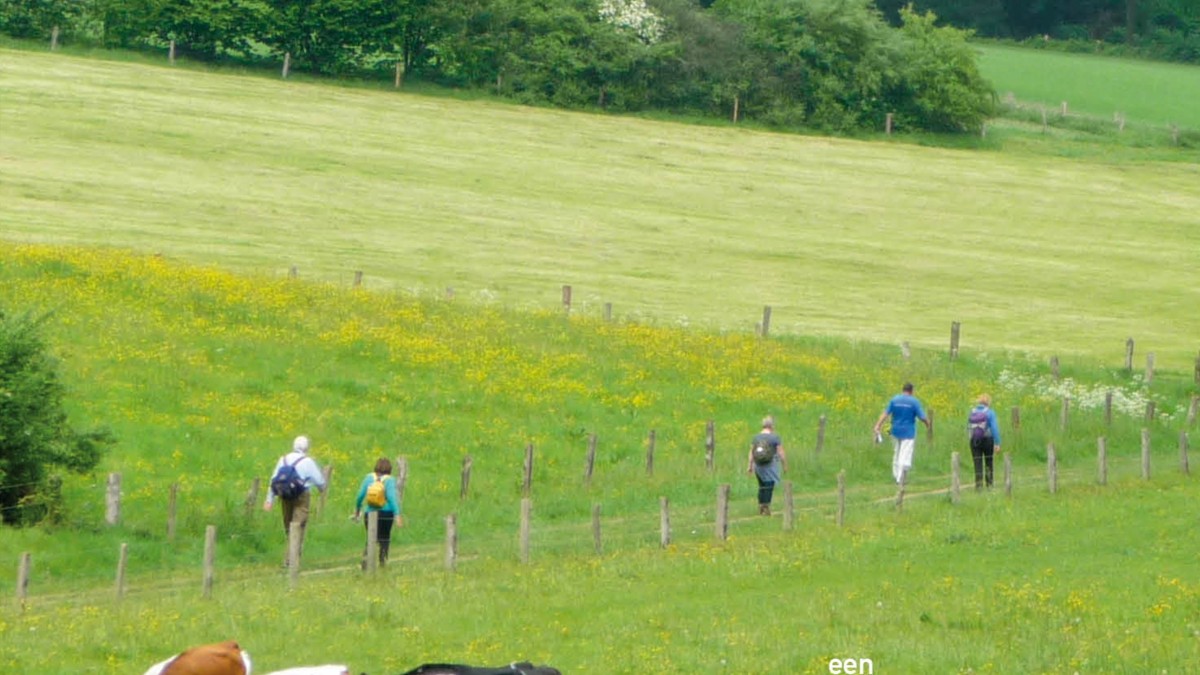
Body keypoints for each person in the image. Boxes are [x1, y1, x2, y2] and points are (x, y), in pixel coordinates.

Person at [263, 435, 327, 566]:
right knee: (298, 526)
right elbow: (320, 482)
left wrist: (269, 499)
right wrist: (322, 488)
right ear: (306, 448)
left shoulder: (283, 459)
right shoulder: (307, 461)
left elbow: (274, 479)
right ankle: (290, 561)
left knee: (289, 527)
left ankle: (291, 558)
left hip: (285, 495)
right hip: (301, 496)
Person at [873, 383, 931, 485]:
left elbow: (885, 414)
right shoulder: (914, 402)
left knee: (896, 453)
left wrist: (878, 425)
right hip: (908, 432)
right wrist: (928, 424)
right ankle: (901, 478)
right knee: (905, 454)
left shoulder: (895, 400)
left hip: (895, 430)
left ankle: (896, 475)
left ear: (902, 390)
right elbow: (922, 417)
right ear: (911, 391)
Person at [352, 457, 401, 569]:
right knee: (384, 538)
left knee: (370, 538)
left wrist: (358, 509)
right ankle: (383, 563)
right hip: (386, 513)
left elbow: (360, 496)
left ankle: (365, 563)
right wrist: (397, 514)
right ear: (389, 469)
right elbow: (392, 498)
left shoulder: (368, 478)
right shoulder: (389, 480)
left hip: (370, 512)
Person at [746, 416, 786, 516]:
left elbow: (751, 452)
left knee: (762, 486)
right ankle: (766, 507)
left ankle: (761, 505)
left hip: (758, 466)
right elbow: (781, 453)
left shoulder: (756, 438)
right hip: (770, 465)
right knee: (769, 486)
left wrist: (750, 466)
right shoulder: (775, 437)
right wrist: (784, 465)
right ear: (771, 426)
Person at [967, 393, 1002, 489]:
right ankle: (989, 485)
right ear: (988, 402)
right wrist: (997, 443)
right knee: (989, 461)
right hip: (988, 440)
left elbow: (968, 427)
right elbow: (994, 428)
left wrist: (971, 439)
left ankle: (978, 486)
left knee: (977, 462)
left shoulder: (972, 412)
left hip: (974, 440)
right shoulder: (990, 412)